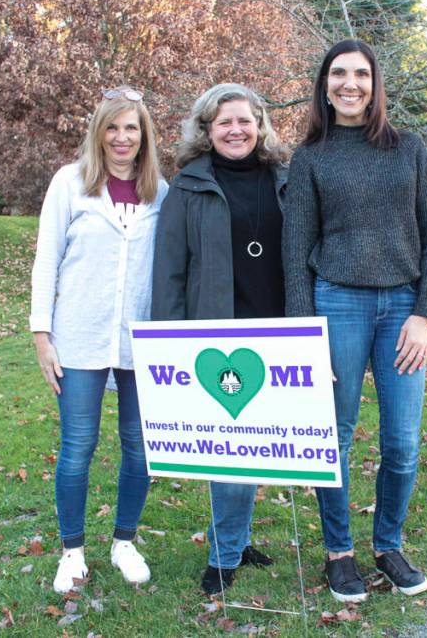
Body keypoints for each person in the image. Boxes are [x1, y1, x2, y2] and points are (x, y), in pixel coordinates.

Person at [282, 39, 427, 602]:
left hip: (402, 308)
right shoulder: (310, 158)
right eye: (338, 75)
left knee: (401, 440)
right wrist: (305, 336)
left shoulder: (409, 149)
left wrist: (425, 313)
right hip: (337, 305)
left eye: (360, 75)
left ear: (375, 85)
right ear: (324, 85)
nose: (349, 84)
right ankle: (339, 552)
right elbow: (296, 248)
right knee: (336, 437)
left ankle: (389, 545)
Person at [152, 83, 289, 595]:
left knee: (255, 447)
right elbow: (168, 271)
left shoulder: (286, 180)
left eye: (244, 120)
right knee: (231, 449)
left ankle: (235, 534)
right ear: (207, 131)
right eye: (223, 122)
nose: (235, 130)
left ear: (260, 125)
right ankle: (224, 555)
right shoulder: (187, 187)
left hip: (278, 331)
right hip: (216, 332)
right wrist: (168, 344)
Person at [29, 87, 168, 594]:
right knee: (78, 447)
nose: (122, 137)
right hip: (80, 337)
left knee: (140, 447)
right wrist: (42, 335)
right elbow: (47, 262)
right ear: (98, 132)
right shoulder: (70, 184)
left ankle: (124, 541)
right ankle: (72, 551)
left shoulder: (161, 191)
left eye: (131, 127)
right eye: (112, 127)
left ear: (144, 134)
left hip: (141, 341)